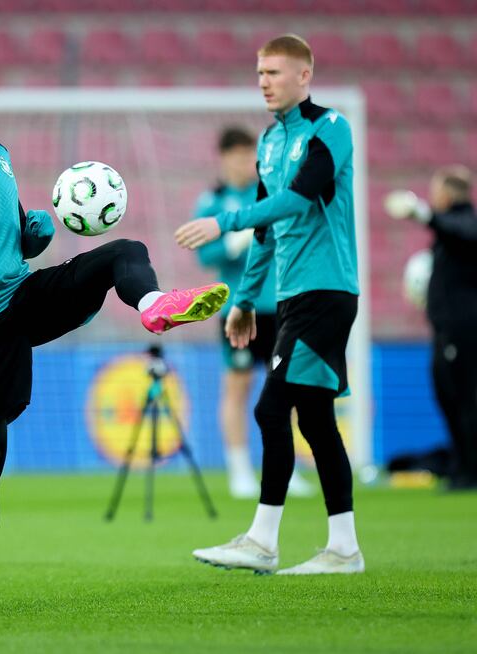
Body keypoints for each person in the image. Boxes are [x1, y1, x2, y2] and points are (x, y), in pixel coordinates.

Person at [0, 46, 230, 613]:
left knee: (125, 251)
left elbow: (17, 235)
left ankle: (154, 303)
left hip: (22, 295)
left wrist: (33, 233)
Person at [176, 34, 364, 575]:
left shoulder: (330, 128)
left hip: (326, 291)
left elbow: (297, 199)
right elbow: (267, 229)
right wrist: (242, 300)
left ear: (304, 76)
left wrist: (226, 219)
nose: (265, 82)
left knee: (269, 408)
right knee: (316, 420)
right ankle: (344, 548)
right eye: (260, 73)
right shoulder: (268, 142)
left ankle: (263, 540)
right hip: (289, 295)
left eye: (275, 73)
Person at [194, 126, 314, 500]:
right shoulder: (212, 202)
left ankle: (285, 468)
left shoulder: (271, 194)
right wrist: (233, 241)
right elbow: (204, 255)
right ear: (225, 159)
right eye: (241, 156)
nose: (248, 163)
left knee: (284, 388)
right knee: (237, 386)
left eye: (252, 156)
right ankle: (239, 469)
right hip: (237, 310)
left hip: (278, 306)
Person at [385, 166, 477, 490]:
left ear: (449, 194)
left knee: (465, 400)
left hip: (463, 333)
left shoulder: (465, 222)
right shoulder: (448, 232)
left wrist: (421, 213)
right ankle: (462, 465)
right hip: (445, 332)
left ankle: (469, 472)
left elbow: (460, 230)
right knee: (448, 397)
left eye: (437, 191)